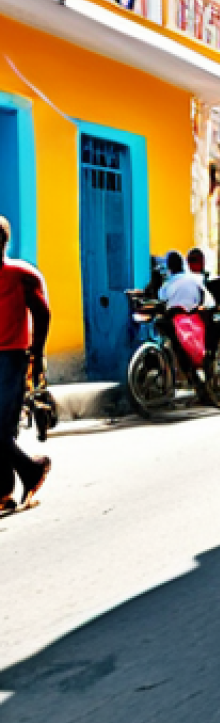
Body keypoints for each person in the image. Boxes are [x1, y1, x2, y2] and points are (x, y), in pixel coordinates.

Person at [0, 216, 51, 514]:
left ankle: (32, 470)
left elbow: (42, 313)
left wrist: (36, 354)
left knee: (1, 429)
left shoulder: (21, 274)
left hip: (12, 357)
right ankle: (4, 491)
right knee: (2, 431)